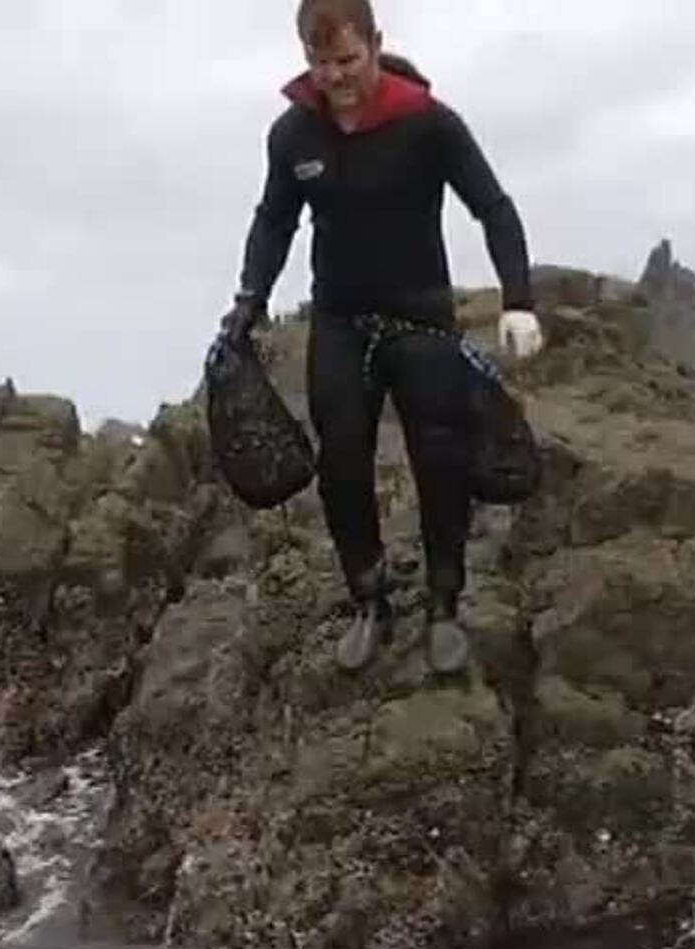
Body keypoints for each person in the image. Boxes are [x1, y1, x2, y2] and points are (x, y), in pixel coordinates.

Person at [220, 0, 543, 675]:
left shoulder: (428, 124)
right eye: (320, 62)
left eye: (348, 59)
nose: (334, 75)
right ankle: (370, 601)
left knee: (440, 461)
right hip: (339, 320)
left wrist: (518, 300)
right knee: (342, 467)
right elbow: (273, 221)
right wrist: (251, 300)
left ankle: (445, 606)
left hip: (421, 318)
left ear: (375, 44)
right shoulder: (293, 136)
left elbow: (494, 207)